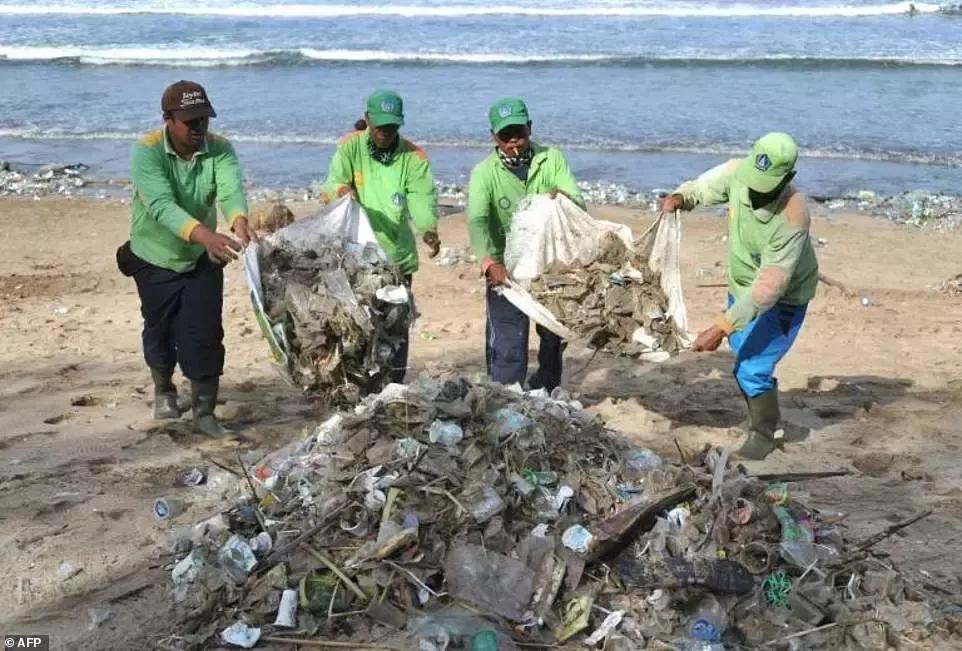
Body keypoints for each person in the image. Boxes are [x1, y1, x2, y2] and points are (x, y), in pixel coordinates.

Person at [661, 132, 818, 460]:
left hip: (783, 298)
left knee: (751, 368)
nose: (755, 190)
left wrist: (720, 327)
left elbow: (768, 289)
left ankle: (767, 434)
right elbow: (702, 188)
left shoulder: (793, 214)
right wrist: (681, 198)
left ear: (787, 177)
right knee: (743, 355)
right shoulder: (738, 173)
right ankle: (763, 417)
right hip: (740, 287)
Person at [118, 80, 256, 437]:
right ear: (168, 119)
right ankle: (164, 388)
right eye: (189, 122)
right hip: (154, 255)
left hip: (200, 256)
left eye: (203, 121)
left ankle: (204, 412)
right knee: (159, 328)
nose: (198, 129)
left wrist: (239, 218)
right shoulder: (145, 152)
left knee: (205, 331)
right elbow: (161, 205)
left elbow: (229, 190)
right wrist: (207, 234)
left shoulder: (221, 149)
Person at [321, 89, 440, 382]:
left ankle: (394, 387)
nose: (384, 133)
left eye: (391, 127)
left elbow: (422, 198)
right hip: (356, 254)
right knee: (360, 326)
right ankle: (361, 385)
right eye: (379, 127)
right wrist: (340, 191)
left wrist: (428, 230)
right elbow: (331, 183)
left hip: (396, 257)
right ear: (367, 120)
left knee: (395, 328)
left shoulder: (413, 157)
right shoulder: (351, 147)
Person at [467, 98, 585, 392]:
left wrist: (563, 198)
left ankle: (545, 386)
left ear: (530, 128)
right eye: (505, 136)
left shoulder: (552, 159)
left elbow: (578, 204)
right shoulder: (484, 173)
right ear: (494, 138)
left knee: (553, 337)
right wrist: (488, 262)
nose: (513, 142)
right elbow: (477, 221)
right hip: (505, 269)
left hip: (549, 265)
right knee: (507, 340)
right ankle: (507, 394)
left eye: (518, 133)